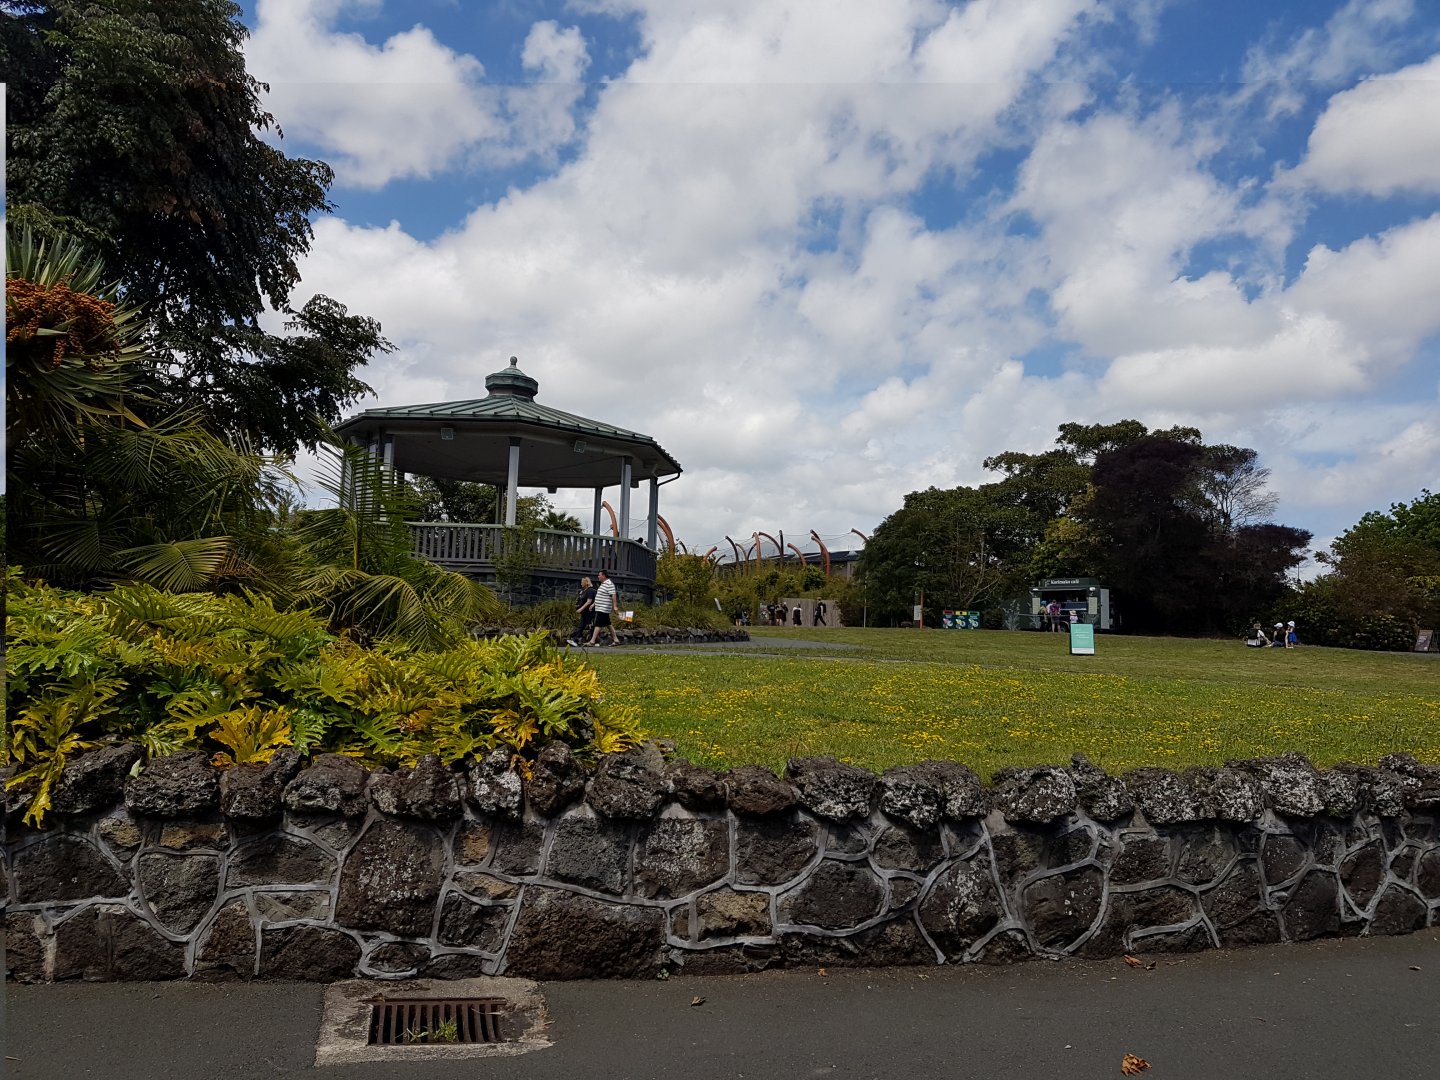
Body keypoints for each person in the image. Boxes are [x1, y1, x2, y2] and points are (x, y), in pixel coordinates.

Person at [586, 569, 620, 646]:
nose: (598, 576)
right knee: (608, 624)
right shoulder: (603, 584)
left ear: (604, 576)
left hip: (603, 608)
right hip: (600, 607)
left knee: (598, 624)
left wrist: (615, 606)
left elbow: (613, 594)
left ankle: (592, 641)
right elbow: (600, 596)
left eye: (599, 575)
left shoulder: (609, 584)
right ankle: (616, 640)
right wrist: (593, 604)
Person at [566, 576, 597, 647]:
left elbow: (589, 601)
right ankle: (579, 639)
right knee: (584, 626)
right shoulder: (584, 591)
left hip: (589, 612)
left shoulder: (590, 590)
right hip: (585, 612)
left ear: (586, 583)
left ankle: (575, 639)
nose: (581, 583)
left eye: (582, 582)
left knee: (583, 625)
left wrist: (581, 609)